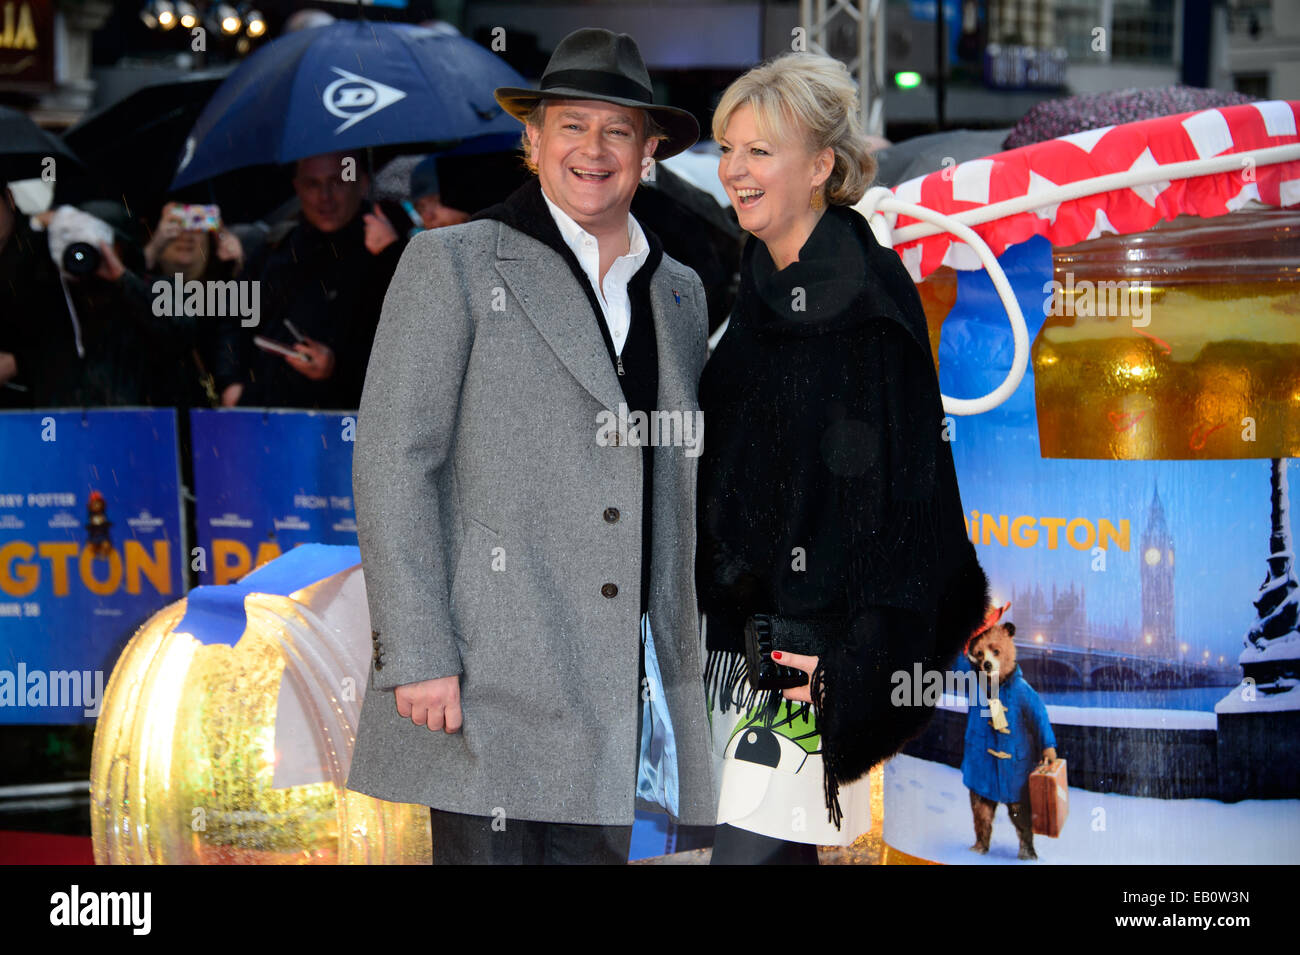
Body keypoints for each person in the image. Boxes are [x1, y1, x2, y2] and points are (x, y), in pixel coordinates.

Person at [346, 28, 717, 864]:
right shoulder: (454, 264)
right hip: (482, 685)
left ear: (649, 150)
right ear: (532, 139)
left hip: (618, 703)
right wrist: (418, 651)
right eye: (572, 125)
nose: (593, 149)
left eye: (617, 130)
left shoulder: (683, 293)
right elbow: (392, 462)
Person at [696, 52, 991, 864]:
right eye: (729, 148)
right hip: (750, 639)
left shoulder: (860, 293)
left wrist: (827, 647)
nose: (735, 169)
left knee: (754, 854)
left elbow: (894, 492)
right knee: (771, 852)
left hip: (808, 644)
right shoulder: (765, 278)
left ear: (822, 165)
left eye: (760, 150)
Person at [214, 151, 405, 410]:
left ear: (362, 184)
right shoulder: (274, 250)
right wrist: (232, 383)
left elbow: (406, 347)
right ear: (297, 188)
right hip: (267, 415)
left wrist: (338, 367)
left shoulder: (386, 252)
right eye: (312, 184)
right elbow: (232, 317)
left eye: (337, 181)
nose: (324, 196)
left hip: (351, 423)